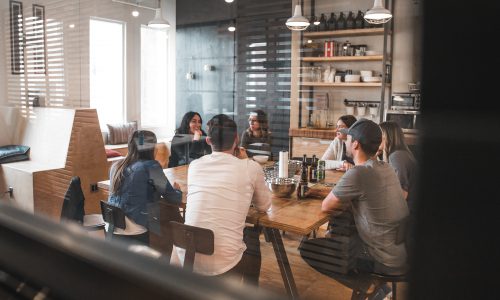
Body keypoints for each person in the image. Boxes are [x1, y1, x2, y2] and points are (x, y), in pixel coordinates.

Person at [303, 119, 409, 298]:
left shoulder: (358, 173)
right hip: (399, 251)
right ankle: (380, 289)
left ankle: (366, 284)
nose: (345, 142)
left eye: (348, 139)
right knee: (345, 227)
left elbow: (327, 205)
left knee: (308, 248)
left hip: (380, 259)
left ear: (356, 144)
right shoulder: (386, 167)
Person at [173, 114, 271, 285]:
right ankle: (250, 291)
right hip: (222, 264)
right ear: (237, 139)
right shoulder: (250, 167)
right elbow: (264, 205)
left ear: (209, 140)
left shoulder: (195, 166)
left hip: (186, 257)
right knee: (251, 239)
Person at [108, 130, 182, 245]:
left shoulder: (116, 166)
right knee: (168, 218)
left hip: (113, 227)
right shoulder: (151, 166)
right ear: (151, 148)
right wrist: (177, 190)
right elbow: (173, 198)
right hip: (134, 230)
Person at [379, 121, 418, 213]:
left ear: (387, 137)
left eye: (378, 134)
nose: (374, 138)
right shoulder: (401, 153)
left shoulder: (397, 156)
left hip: (408, 211)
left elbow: (401, 194)